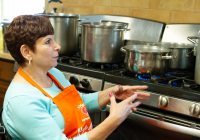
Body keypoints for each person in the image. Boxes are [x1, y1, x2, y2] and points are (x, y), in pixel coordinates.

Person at [2, 15, 150, 140]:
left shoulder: (52, 73)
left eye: (54, 40)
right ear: (26, 52)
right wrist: (114, 120)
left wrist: (111, 93)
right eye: (48, 42)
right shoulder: (22, 100)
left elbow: (78, 103)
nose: (57, 46)